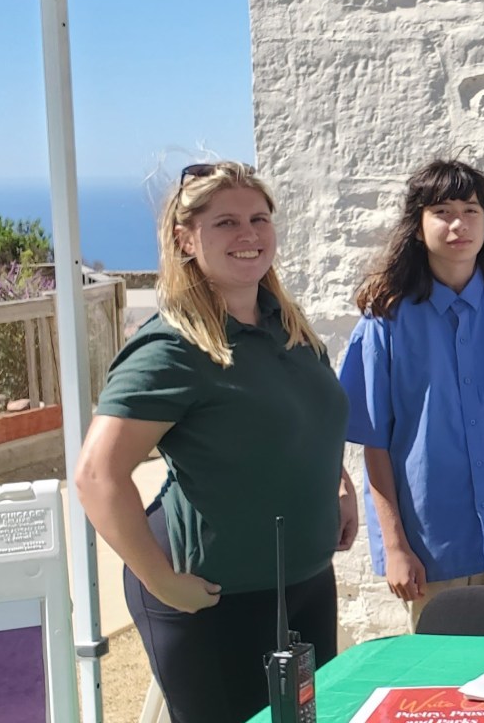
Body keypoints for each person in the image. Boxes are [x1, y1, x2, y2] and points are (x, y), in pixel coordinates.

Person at [75, 162, 356, 723]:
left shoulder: (290, 327)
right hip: (212, 595)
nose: (248, 234)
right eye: (225, 222)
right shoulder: (172, 348)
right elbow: (96, 476)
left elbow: (309, 422)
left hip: (302, 583)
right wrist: (161, 580)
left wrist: (339, 486)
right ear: (185, 238)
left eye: (258, 218)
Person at [339, 160, 484, 626]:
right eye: (442, 211)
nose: (459, 223)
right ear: (418, 228)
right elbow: (373, 441)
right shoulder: (385, 325)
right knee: (441, 676)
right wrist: (395, 545)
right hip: (430, 541)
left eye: (471, 210)